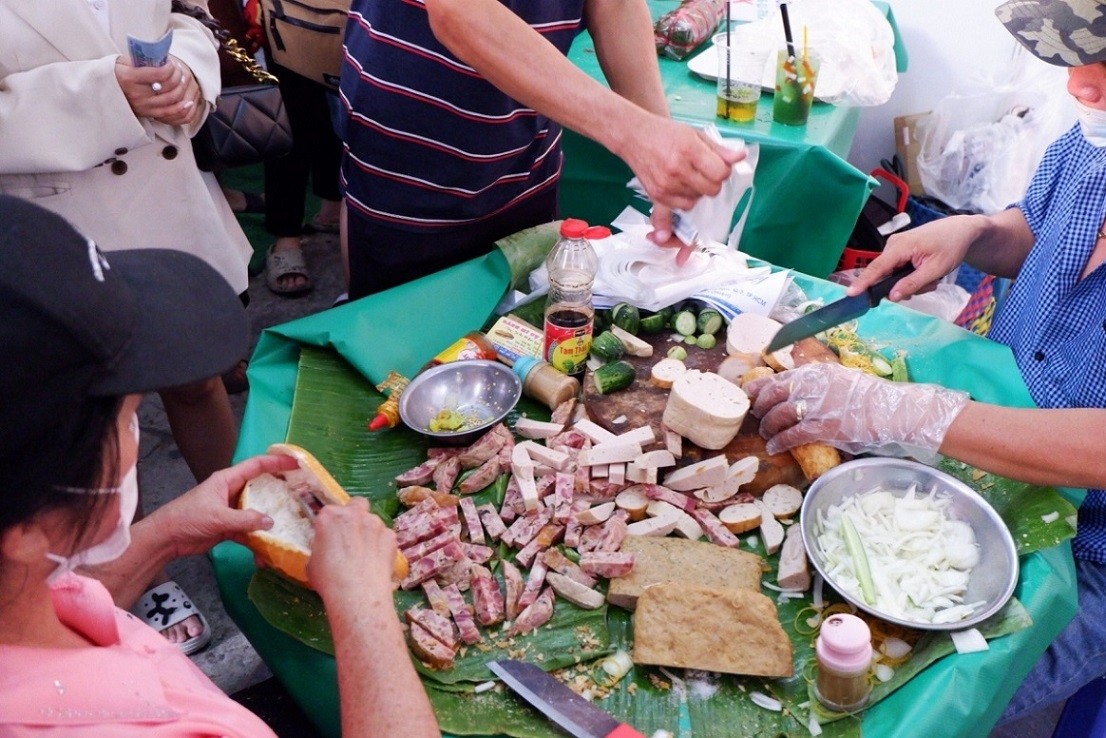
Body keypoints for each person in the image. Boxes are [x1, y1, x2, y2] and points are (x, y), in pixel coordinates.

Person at [750, 0, 1106, 725]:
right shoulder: (1091, 142)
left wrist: (911, 412)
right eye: (1078, 61)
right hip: (982, 462)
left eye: (1102, 66)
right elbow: (1039, 229)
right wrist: (973, 232)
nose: (1080, 88)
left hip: (1091, 550)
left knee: (861, 691)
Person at [0, 196, 440, 738]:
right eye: (130, 417)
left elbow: (56, 605)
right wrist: (362, 608)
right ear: (24, 530)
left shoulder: (24, 602)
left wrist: (164, 535)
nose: (135, 437)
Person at [0, 0, 254, 648]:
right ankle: (125, 572)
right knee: (106, 418)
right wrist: (103, 93)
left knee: (198, 377)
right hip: (64, 223)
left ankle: (250, 521)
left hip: (163, 195)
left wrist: (191, 76)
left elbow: (187, 17)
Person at [338, 0, 744, 298]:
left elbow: (615, 5)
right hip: (416, 162)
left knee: (522, 343)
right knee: (401, 370)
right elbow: (460, 12)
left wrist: (660, 141)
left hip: (526, 152)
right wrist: (637, 134)